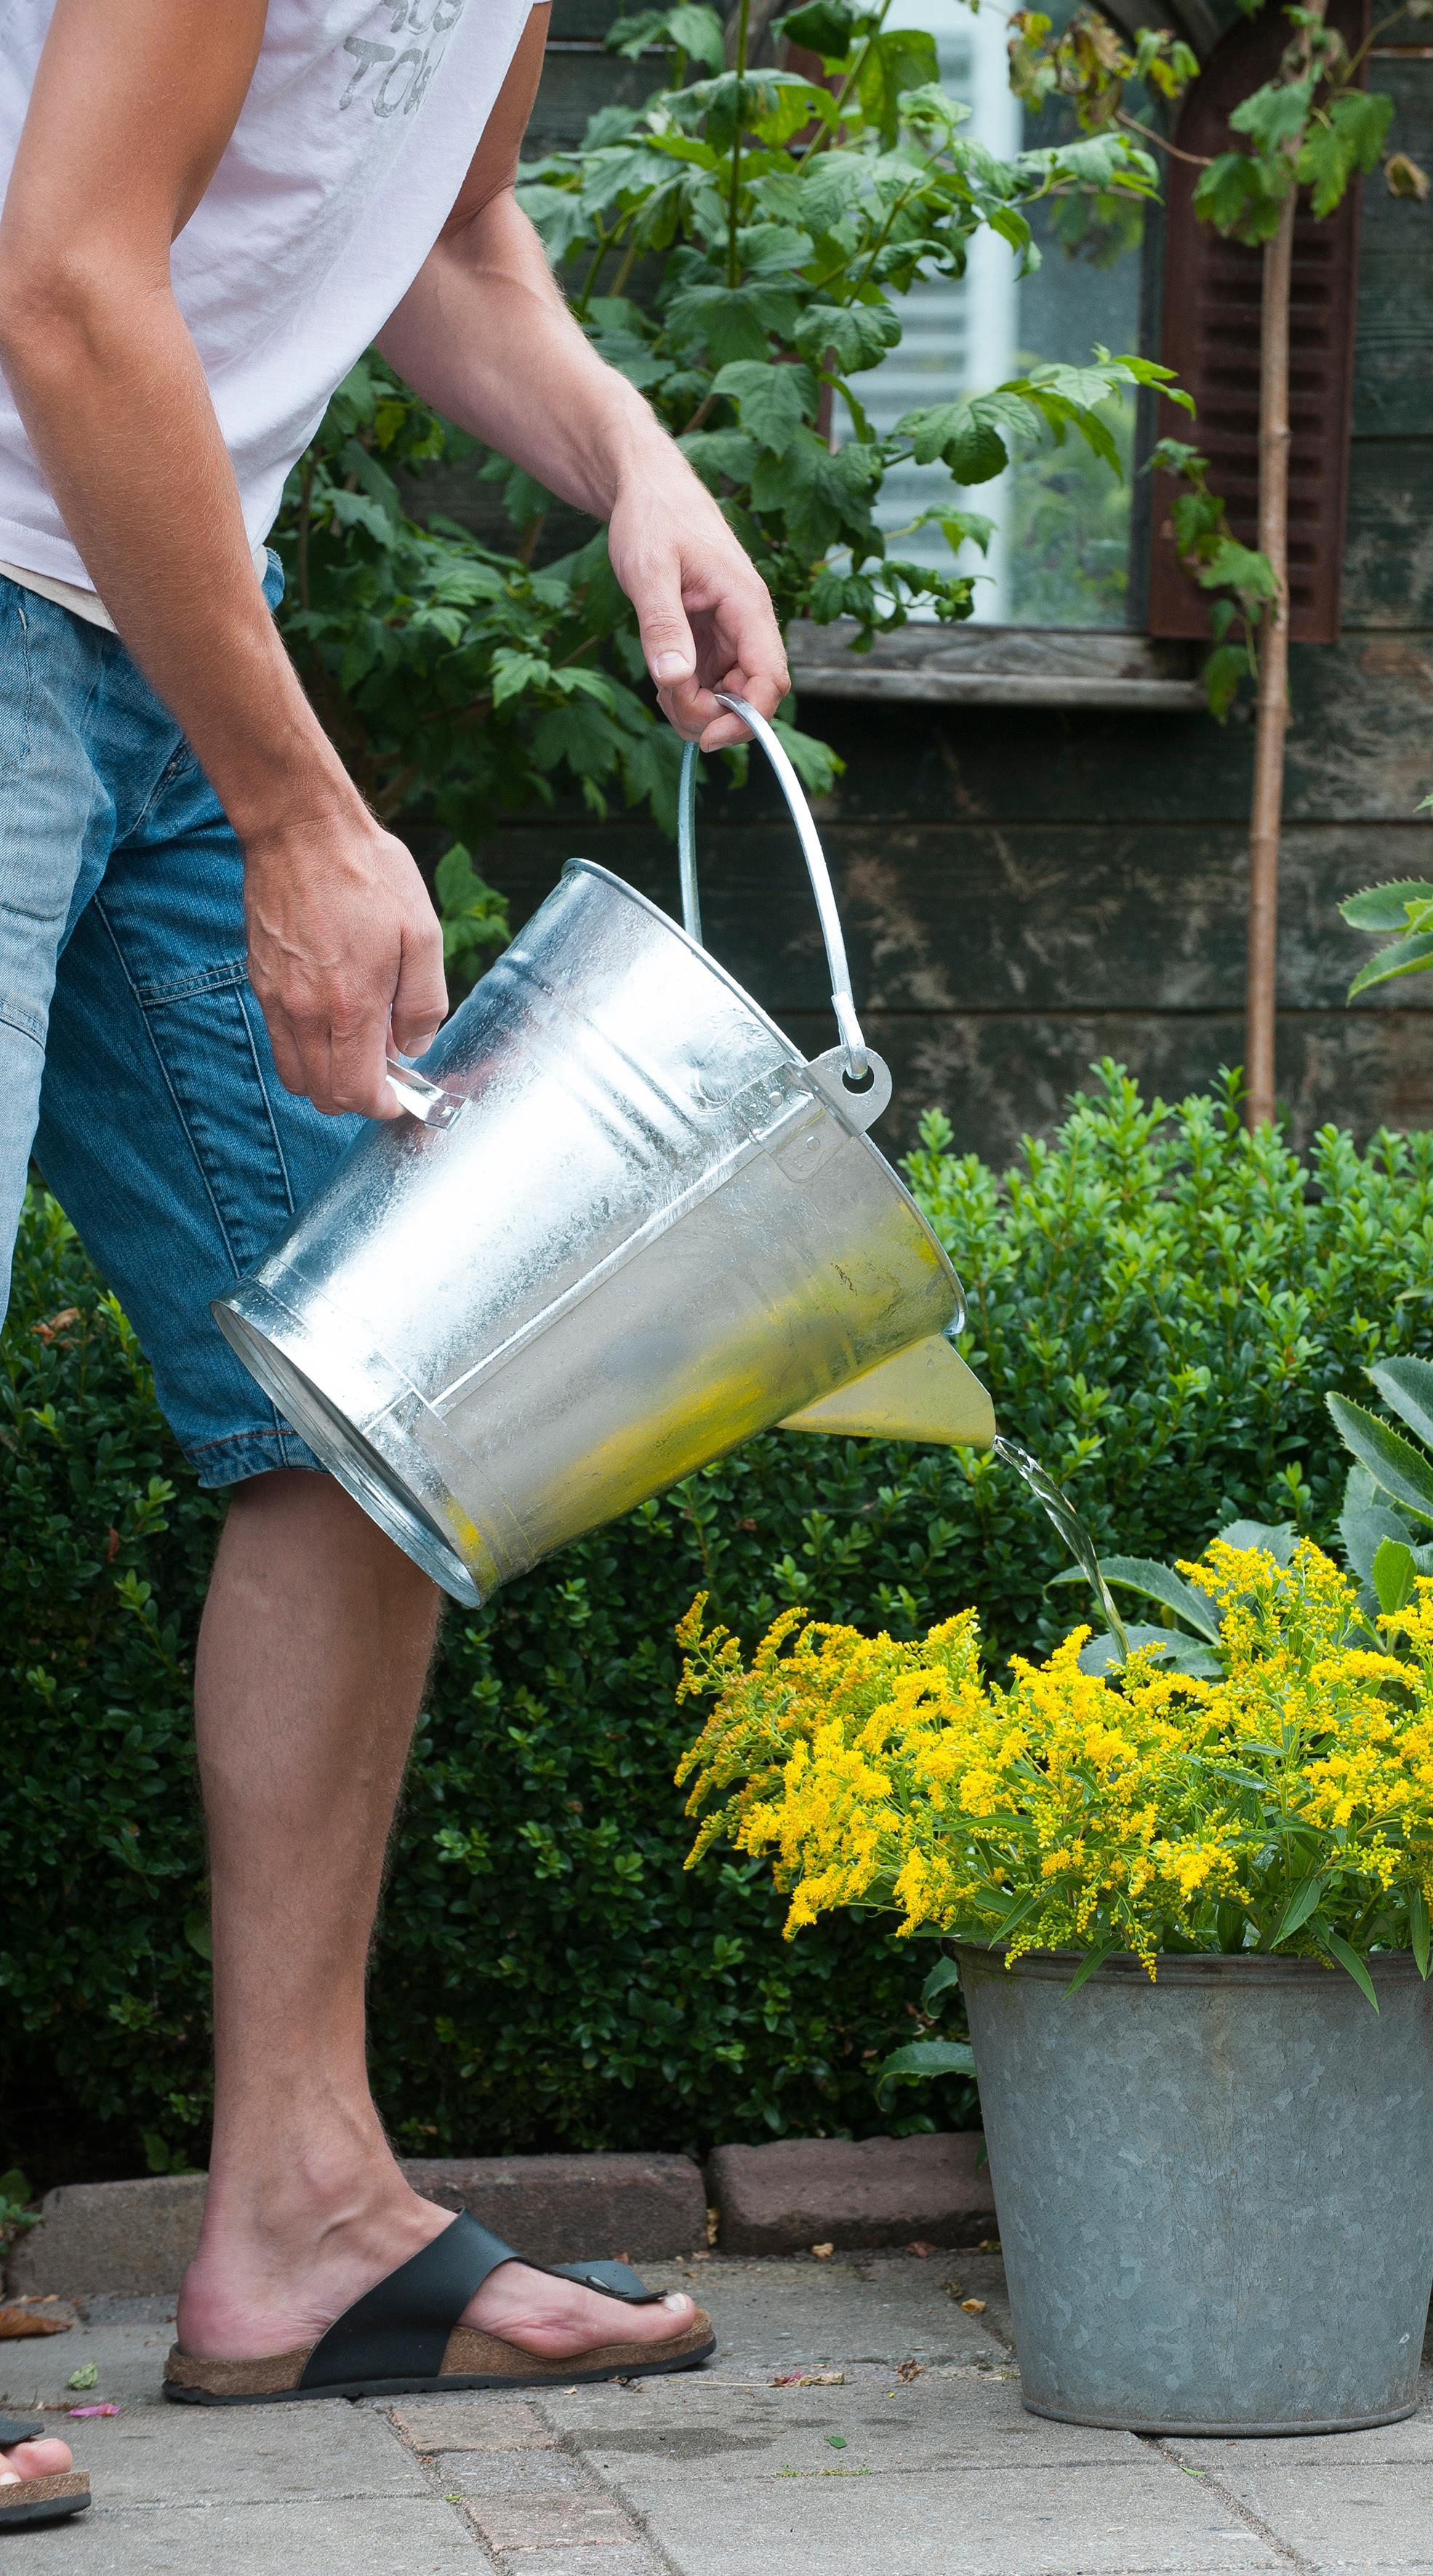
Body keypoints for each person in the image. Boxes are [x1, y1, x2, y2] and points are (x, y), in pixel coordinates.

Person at [0, 0, 789, 2516]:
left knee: (374, 1375)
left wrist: (629, 460)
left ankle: (304, 2216)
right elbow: (67, 284)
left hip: (141, 616)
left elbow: (437, 228)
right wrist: (299, 808)